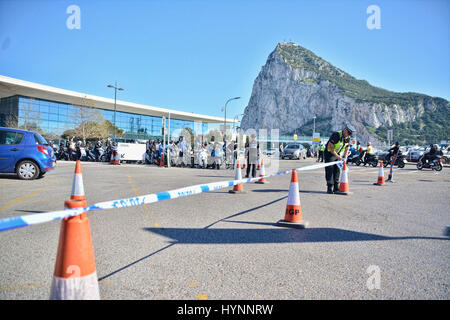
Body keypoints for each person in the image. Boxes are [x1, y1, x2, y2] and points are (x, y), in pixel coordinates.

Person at [324, 124, 355, 194]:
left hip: (338, 154)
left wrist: (345, 157)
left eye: (350, 134)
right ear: (345, 130)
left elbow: (347, 148)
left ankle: (336, 187)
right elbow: (330, 147)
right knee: (330, 169)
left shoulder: (348, 138)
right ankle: (329, 187)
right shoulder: (336, 135)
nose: (348, 135)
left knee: (337, 170)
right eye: (348, 133)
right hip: (329, 153)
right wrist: (337, 156)